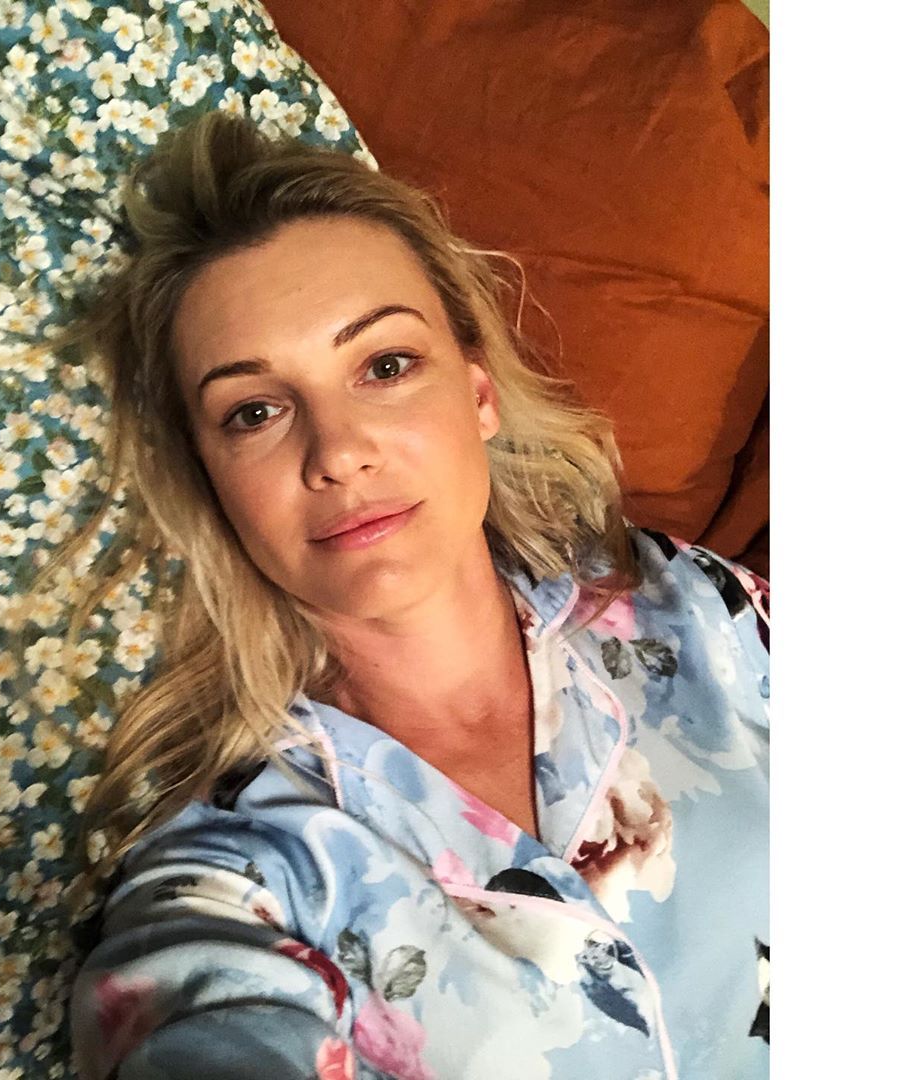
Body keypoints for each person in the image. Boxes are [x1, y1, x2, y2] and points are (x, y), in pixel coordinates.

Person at [59, 111, 769, 1079]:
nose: (339, 450)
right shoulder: (243, 873)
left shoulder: (692, 605)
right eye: (254, 411)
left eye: (385, 366)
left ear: (479, 395)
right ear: (210, 482)